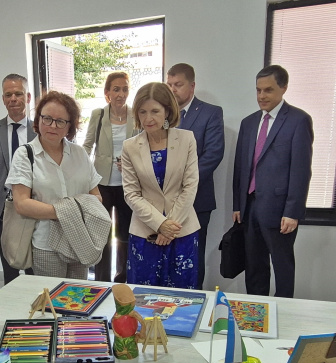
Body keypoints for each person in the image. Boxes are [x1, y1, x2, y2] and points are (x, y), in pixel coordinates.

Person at [233, 65, 313, 298]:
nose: (261, 96)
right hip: (249, 207)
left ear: (284, 88)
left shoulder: (298, 120)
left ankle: (284, 314)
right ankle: (255, 313)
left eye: (268, 90)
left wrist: (293, 211)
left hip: (280, 211)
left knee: (282, 266)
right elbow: (240, 167)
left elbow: (301, 170)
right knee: (254, 267)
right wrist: (238, 204)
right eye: (258, 90)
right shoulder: (248, 123)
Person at [6, 91, 103, 279]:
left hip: (80, 241)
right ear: (38, 119)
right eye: (47, 118)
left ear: (70, 126)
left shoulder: (79, 154)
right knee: (51, 303)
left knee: (78, 299)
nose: (52, 126)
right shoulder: (25, 154)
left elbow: (97, 196)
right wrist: (69, 212)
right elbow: (22, 204)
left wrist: (70, 212)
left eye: (60, 121)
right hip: (45, 244)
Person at [122, 82, 200, 288]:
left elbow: (190, 185)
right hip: (145, 234)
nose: (148, 118)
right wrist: (160, 224)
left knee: (182, 300)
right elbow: (131, 194)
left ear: (167, 111)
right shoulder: (130, 146)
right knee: (143, 298)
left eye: (155, 111)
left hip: (181, 231)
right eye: (142, 111)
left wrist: (169, 227)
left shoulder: (186, 139)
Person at [167, 63, 224, 289]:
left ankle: (194, 303)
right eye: (169, 84)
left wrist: (183, 183)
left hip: (197, 200)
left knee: (193, 256)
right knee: (169, 257)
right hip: (165, 200)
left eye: (178, 85)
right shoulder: (164, 114)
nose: (172, 90)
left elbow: (213, 155)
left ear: (192, 86)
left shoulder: (210, 112)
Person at [0, 74, 37, 284]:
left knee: (34, 270)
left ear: (28, 97)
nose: (13, 98)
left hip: (33, 209)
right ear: (3, 99)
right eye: (8, 94)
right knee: (10, 271)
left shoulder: (40, 130)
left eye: (18, 94)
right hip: (1, 213)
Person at [83, 72, 135, 283]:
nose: (120, 94)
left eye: (124, 89)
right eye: (116, 89)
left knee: (124, 237)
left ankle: (122, 280)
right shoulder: (99, 115)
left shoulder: (136, 115)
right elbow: (87, 146)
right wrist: (81, 173)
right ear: (107, 94)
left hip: (128, 185)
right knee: (102, 236)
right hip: (101, 184)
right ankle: (102, 281)